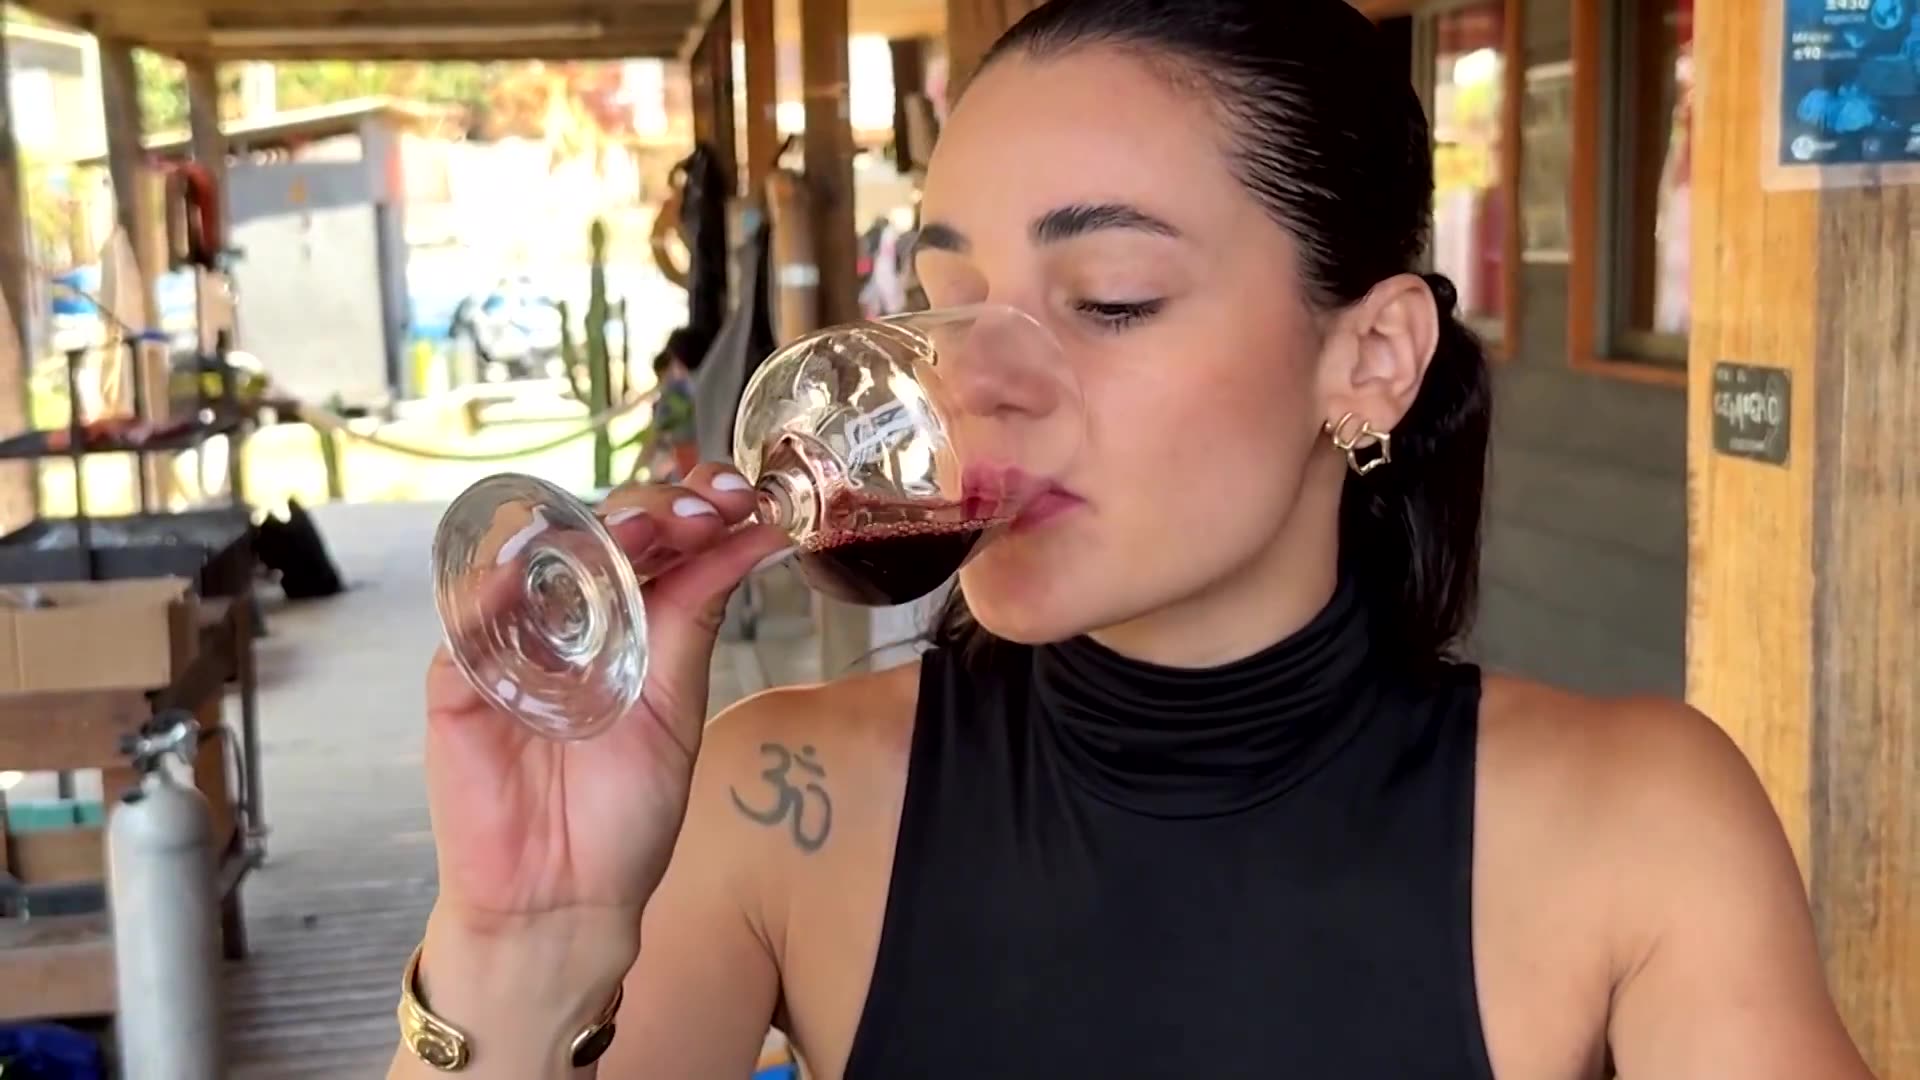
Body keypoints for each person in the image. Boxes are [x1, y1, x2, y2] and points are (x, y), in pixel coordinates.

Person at [390, 1, 1877, 1077]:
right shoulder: (782, 802)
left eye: (1107, 297)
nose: (972, 379)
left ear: (1370, 359)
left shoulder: (1638, 826)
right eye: (945, 296)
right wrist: (531, 933)